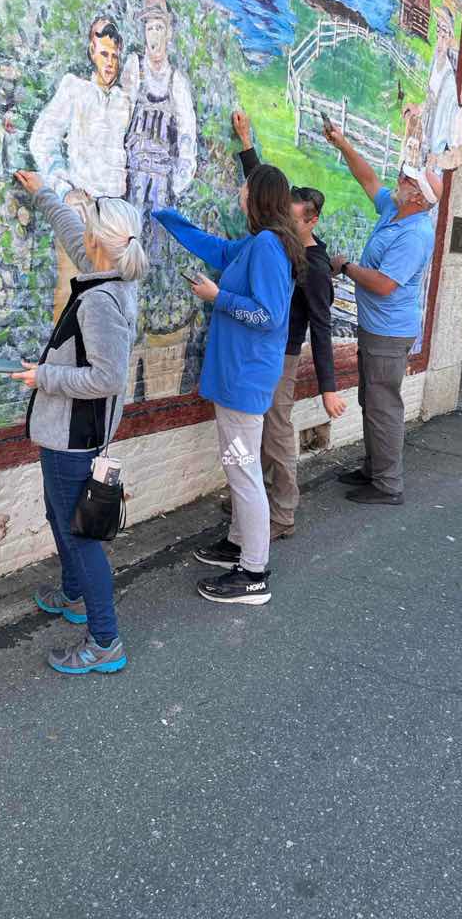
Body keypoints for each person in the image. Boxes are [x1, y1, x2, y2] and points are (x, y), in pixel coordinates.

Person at [12, 170, 148, 675]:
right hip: (66, 432)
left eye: (87, 227)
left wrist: (43, 376)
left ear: (98, 243)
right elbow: (72, 231)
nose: (80, 233)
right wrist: (43, 193)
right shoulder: (109, 272)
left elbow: (108, 378)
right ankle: (73, 596)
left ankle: (105, 641)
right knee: (59, 518)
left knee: (81, 539)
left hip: (75, 437)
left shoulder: (100, 301)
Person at [153, 164, 307, 605]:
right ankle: (238, 543)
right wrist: (168, 218)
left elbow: (268, 316)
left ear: (257, 197)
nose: (238, 193)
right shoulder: (257, 243)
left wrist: (217, 297)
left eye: (244, 189)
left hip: (245, 381)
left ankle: (254, 573)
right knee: (240, 467)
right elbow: (218, 251)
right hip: (237, 378)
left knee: (243, 473)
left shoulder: (267, 246)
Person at [202, 110, 346, 546]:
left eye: (294, 217)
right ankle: (248, 510)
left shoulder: (313, 264)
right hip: (255, 357)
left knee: (276, 433)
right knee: (247, 445)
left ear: (311, 220)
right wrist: (247, 144)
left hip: (276, 359)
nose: (284, 219)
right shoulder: (278, 241)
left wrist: (329, 386)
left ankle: (278, 514)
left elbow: (321, 328)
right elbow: (263, 193)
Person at [324, 125, 443, 504]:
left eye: (406, 179)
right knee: (371, 399)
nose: (399, 178)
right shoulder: (395, 208)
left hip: (389, 333)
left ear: (418, 198)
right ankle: (373, 469)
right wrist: (343, 143)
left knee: (384, 405)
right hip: (377, 328)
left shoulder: (416, 233)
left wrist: (344, 267)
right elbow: (368, 178)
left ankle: (388, 485)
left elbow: (384, 284)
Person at [29, 16, 129, 320]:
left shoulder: (125, 100)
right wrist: (64, 189)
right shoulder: (75, 90)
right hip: (81, 216)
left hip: (114, 221)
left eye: (114, 56)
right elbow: (41, 139)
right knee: (71, 299)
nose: (109, 63)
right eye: (103, 54)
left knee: (108, 306)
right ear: (91, 51)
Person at [121, 0, 197, 241]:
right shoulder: (134, 68)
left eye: (159, 28)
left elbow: (187, 138)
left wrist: (178, 183)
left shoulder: (177, 82)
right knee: (126, 242)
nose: (154, 35)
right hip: (133, 176)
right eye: (150, 28)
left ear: (169, 33)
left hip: (162, 182)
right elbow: (118, 121)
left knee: (156, 248)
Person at [422, 4, 462, 170]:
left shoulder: (449, 80)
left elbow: (457, 149)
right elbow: (429, 98)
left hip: (434, 155)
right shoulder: (435, 63)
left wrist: (438, 159)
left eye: (444, 31)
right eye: (438, 29)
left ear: (450, 35)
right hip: (425, 142)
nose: (439, 36)